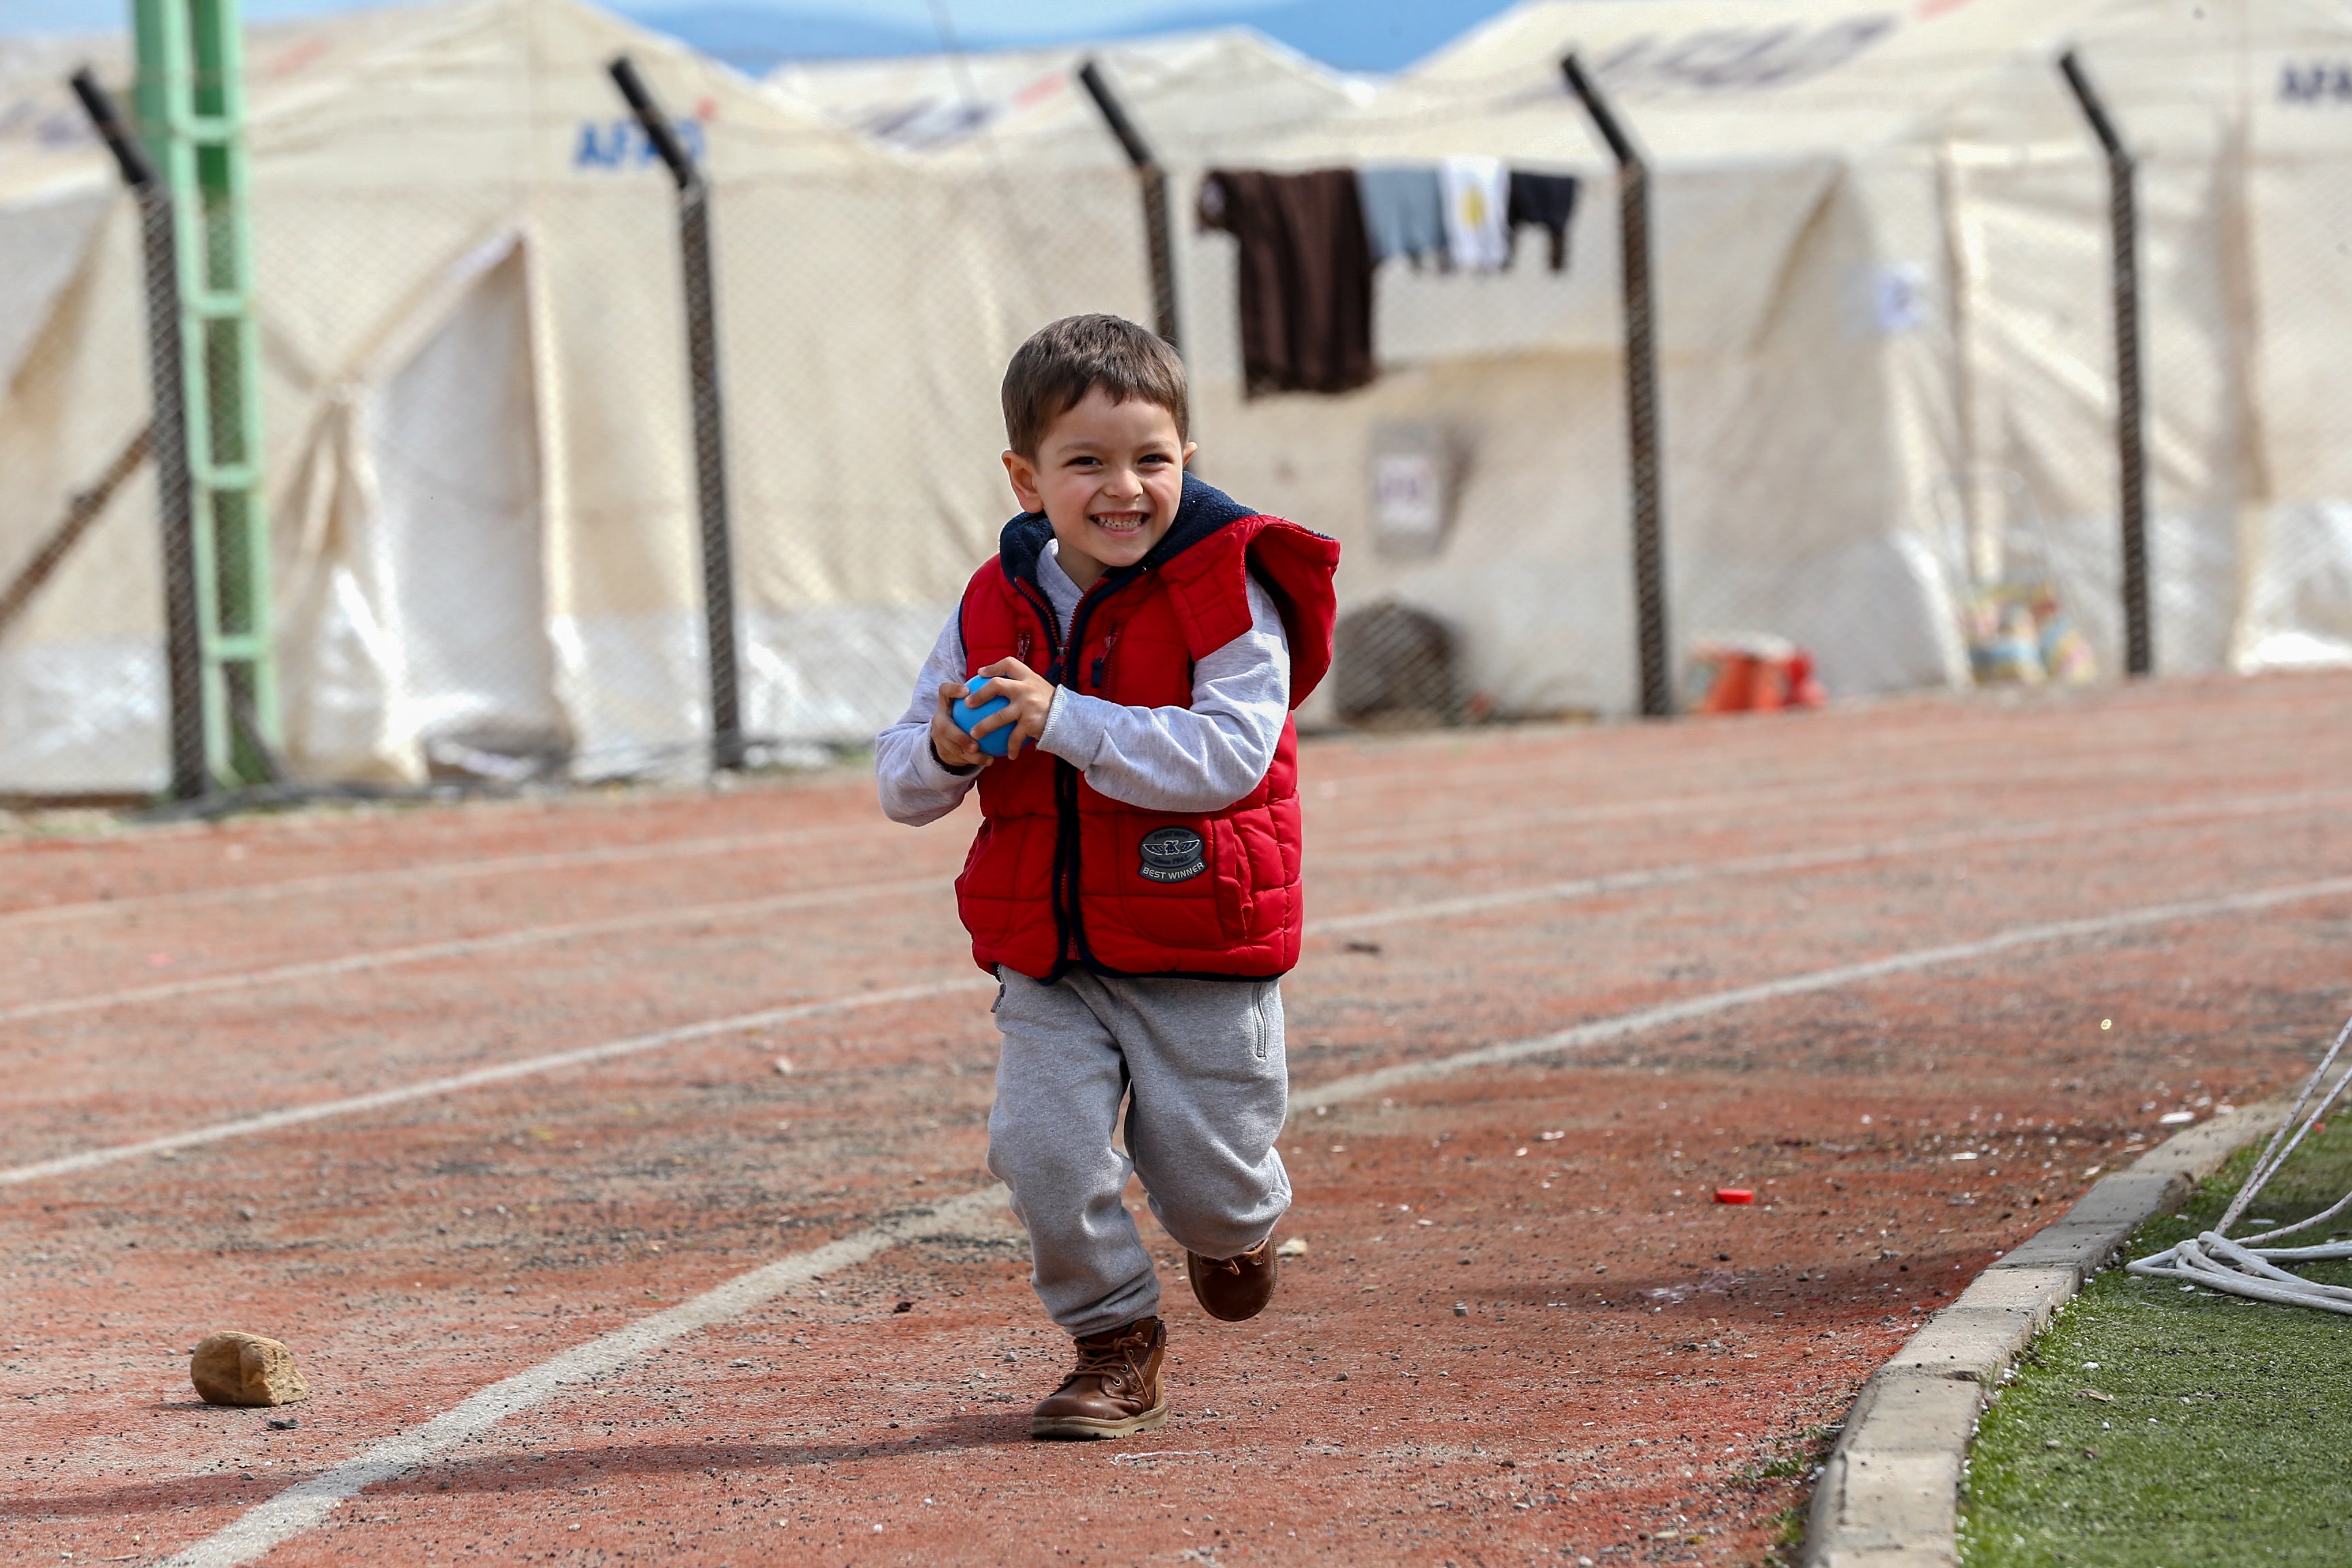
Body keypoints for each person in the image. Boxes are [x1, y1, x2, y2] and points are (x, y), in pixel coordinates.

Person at [876, 313, 1340, 1439]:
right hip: (1052, 957)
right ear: (1027, 477)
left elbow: (1230, 757)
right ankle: (1115, 1340)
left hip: (1198, 949)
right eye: (1086, 462)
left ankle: (1239, 1232)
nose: (1123, 488)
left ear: (1189, 458)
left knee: (1206, 1185)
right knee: (1040, 1151)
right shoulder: (992, 602)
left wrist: (1064, 718)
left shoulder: (1232, 592)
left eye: (1152, 459)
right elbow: (900, 780)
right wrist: (953, 746)